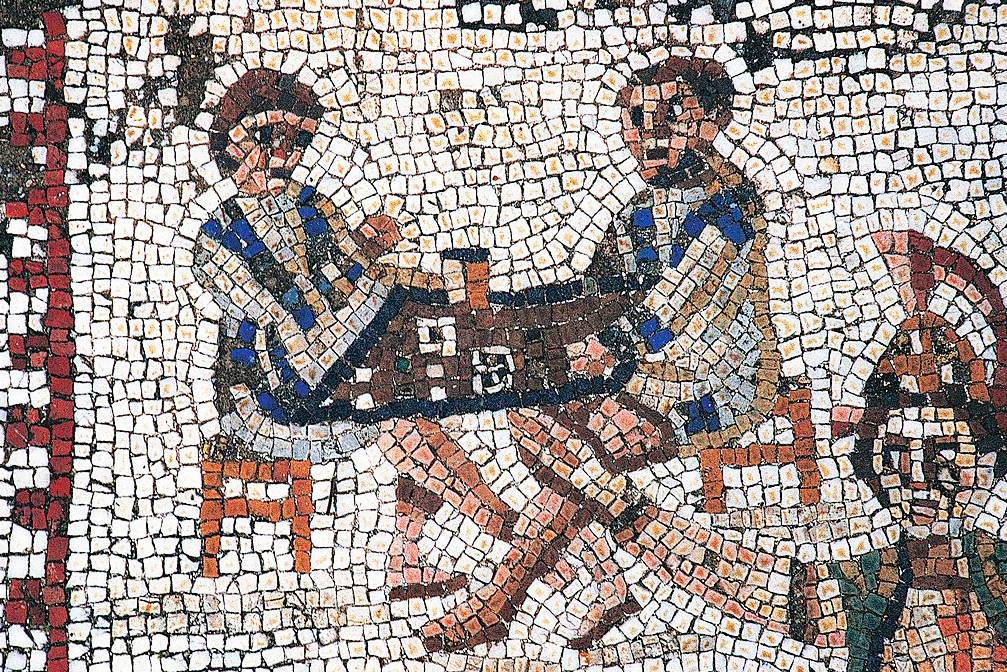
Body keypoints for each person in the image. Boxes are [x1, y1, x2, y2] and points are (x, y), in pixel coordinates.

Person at [794, 306, 1007, 671]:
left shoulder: (998, 577)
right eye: (895, 454)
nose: (919, 479)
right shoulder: (844, 584)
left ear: (987, 464)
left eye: (946, 454)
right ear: (871, 468)